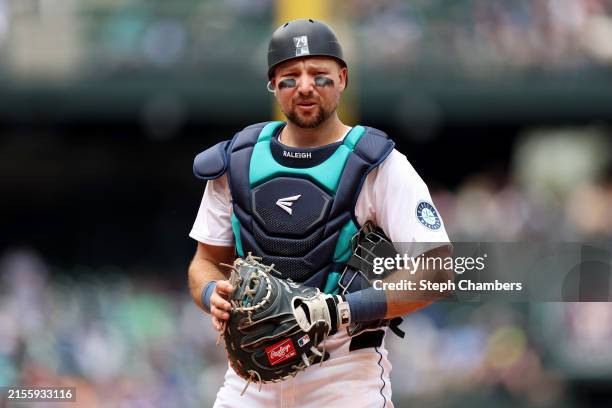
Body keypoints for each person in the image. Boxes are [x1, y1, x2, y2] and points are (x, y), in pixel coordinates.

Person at [188, 18, 452, 407]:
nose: (306, 86)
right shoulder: (237, 160)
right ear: (273, 84)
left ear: (342, 78)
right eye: (290, 76)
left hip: (343, 377)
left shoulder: (379, 163)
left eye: (319, 74)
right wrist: (213, 293)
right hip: (250, 379)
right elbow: (204, 262)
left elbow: (437, 271)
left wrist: (340, 309)